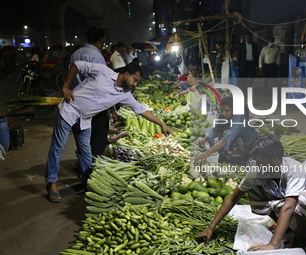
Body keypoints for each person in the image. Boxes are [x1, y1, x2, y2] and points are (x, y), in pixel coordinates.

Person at [45, 61, 172, 202]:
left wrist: (161, 124)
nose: (135, 84)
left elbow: (141, 110)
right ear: (126, 74)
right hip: (69, 111)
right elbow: (77, 65)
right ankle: (52, 184)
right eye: (134, 80)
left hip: (85, 120)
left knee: (85, 151)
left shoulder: (125, 94)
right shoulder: (103, 71)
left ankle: (88, 180)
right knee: (57, 148)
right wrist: (66, 86)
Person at [196, 135, 306, 251]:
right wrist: (211, 227)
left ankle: (299, 238)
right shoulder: (259, 171)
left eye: (261, 161)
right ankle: (287, 230)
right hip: (294, 218)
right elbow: (233, 199)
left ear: (274, 157)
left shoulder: (294, 169)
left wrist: (272, 244)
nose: (258, 165)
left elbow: (289, 206)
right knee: (253, 190)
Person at [69, 27, 115, 158]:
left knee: (83, 136)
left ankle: (83, 163)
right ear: (101, 40)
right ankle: (93, 166)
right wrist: (112, 109)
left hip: (78, 102)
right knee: (97, 137)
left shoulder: (75, 54)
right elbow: (103, 84)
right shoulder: (97, 56)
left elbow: (70, 78)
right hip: (95, 103)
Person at [195, 95, 258, 165]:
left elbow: (228, 138)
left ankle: (238, 165)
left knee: (231, 142)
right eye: (222, 110)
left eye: (226, 111)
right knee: (224, 138)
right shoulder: (222, 117)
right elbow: (216, 130)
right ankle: (225, 162)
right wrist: (206, 138)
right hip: (238, 141)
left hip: (251, 145)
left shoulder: (239, 120)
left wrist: (208, 152)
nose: (223, 113)